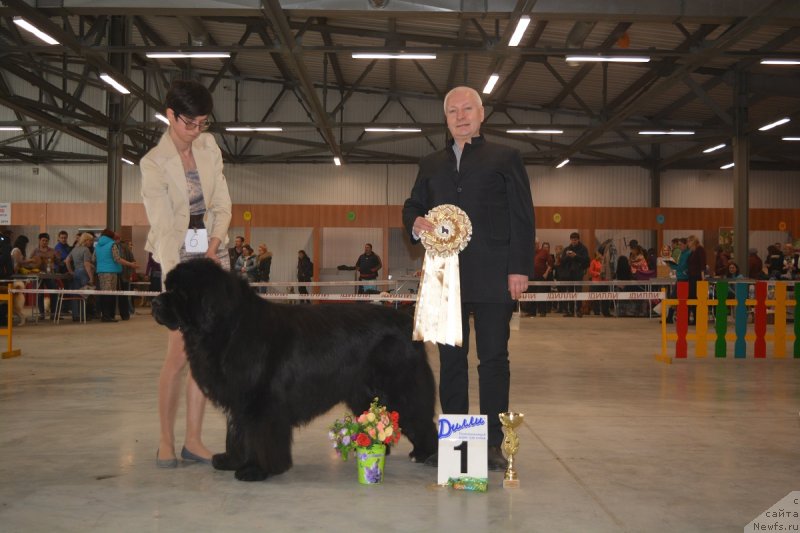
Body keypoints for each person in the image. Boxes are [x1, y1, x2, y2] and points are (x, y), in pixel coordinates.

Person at [402, 85, 535, 471]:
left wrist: (519, 268)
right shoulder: (430, 164)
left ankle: (494, 444)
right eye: (453, 111)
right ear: (446, 119)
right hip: (447, 279)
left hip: (496, 274)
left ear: (482, 114)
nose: (461, 116)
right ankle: (458, 443)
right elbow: (414, 203)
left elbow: (522, 215)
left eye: (467, 109)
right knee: (452, 362)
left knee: (494, 360)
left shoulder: (506, 157)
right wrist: (414, 221)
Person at [141, 79, 233, 469]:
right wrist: (175, 290)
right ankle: (166, 439)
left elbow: (223, 204)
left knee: (205, 355)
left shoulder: (209, 148)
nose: (196, 132)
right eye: (189, 124)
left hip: (213, 256)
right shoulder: (153, 164)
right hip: (177, 259)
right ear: (170, 116)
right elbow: (163, 230)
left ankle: (194, 440)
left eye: (202, 124)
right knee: (178, 355)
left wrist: (214, 246)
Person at [93, 228, 137, 323]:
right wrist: (131, 264)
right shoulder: (112, 244)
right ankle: (108, 316)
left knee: (103, 294)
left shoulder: (97, 246)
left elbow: (94, 258)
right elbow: (117, 259)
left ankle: (105, 315)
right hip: (111, 272)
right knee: (110, 294)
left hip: (100, 272)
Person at [29, 232, 61, 320]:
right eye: (43, 240)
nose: (45, 242)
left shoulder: (53, 251)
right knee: (39, 294)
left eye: (46, 241)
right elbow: (30, 263)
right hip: (38, 275)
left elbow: (59, 263)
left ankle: (53, 313)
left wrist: (58, 258)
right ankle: (41, 314)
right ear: (39, 240)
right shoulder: (35, 251)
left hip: (50, 275)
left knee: (54, 292)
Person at [64, 232, 95, 322]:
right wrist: (91, 278)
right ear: (86, 240)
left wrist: (71, 271)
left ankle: (76, 316)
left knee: (76, 295)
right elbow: (87, 264)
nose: (92, 242)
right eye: (91, 240)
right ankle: (84, 315)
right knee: (85, 295)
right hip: (84, 273)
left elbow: (67, 261)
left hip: (76, 272)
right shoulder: (86, 250)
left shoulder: (75, 249)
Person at [559, 232, 589, 317]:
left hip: (579, 273)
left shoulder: (583, 249)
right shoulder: (567, 249)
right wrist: (568, 257)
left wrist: (576, 256)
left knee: (578, 292)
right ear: (570, 240)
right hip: (568, 274)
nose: (573, 242)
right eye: (572, 240)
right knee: (571, 293)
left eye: (575, 240)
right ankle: (571, 311)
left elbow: (587, 261)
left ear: (578, 240)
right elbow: (562, 262)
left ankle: (579, 311)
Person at [686, 235, 706, 325]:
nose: (688, 244)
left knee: (695, 298)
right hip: (691, 277)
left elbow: (702, 265)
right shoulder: (692, 251)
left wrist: (702, 279)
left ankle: (697, 319)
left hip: (697, 278)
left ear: (693, 241)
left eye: (689, 242)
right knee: (691, 298)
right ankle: (692, 318)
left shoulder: (700, 249)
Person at [532, 241, 554, 317]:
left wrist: (546, 273)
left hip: (541, 277)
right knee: (531, 294)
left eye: (535, 244)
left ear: (538, 244)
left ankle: (542, 311)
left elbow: (551, 263)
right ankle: (532, 312)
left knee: (541, 294)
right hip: (531, 277)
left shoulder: (544, 252)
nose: (534, 245)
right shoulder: (529, 252)